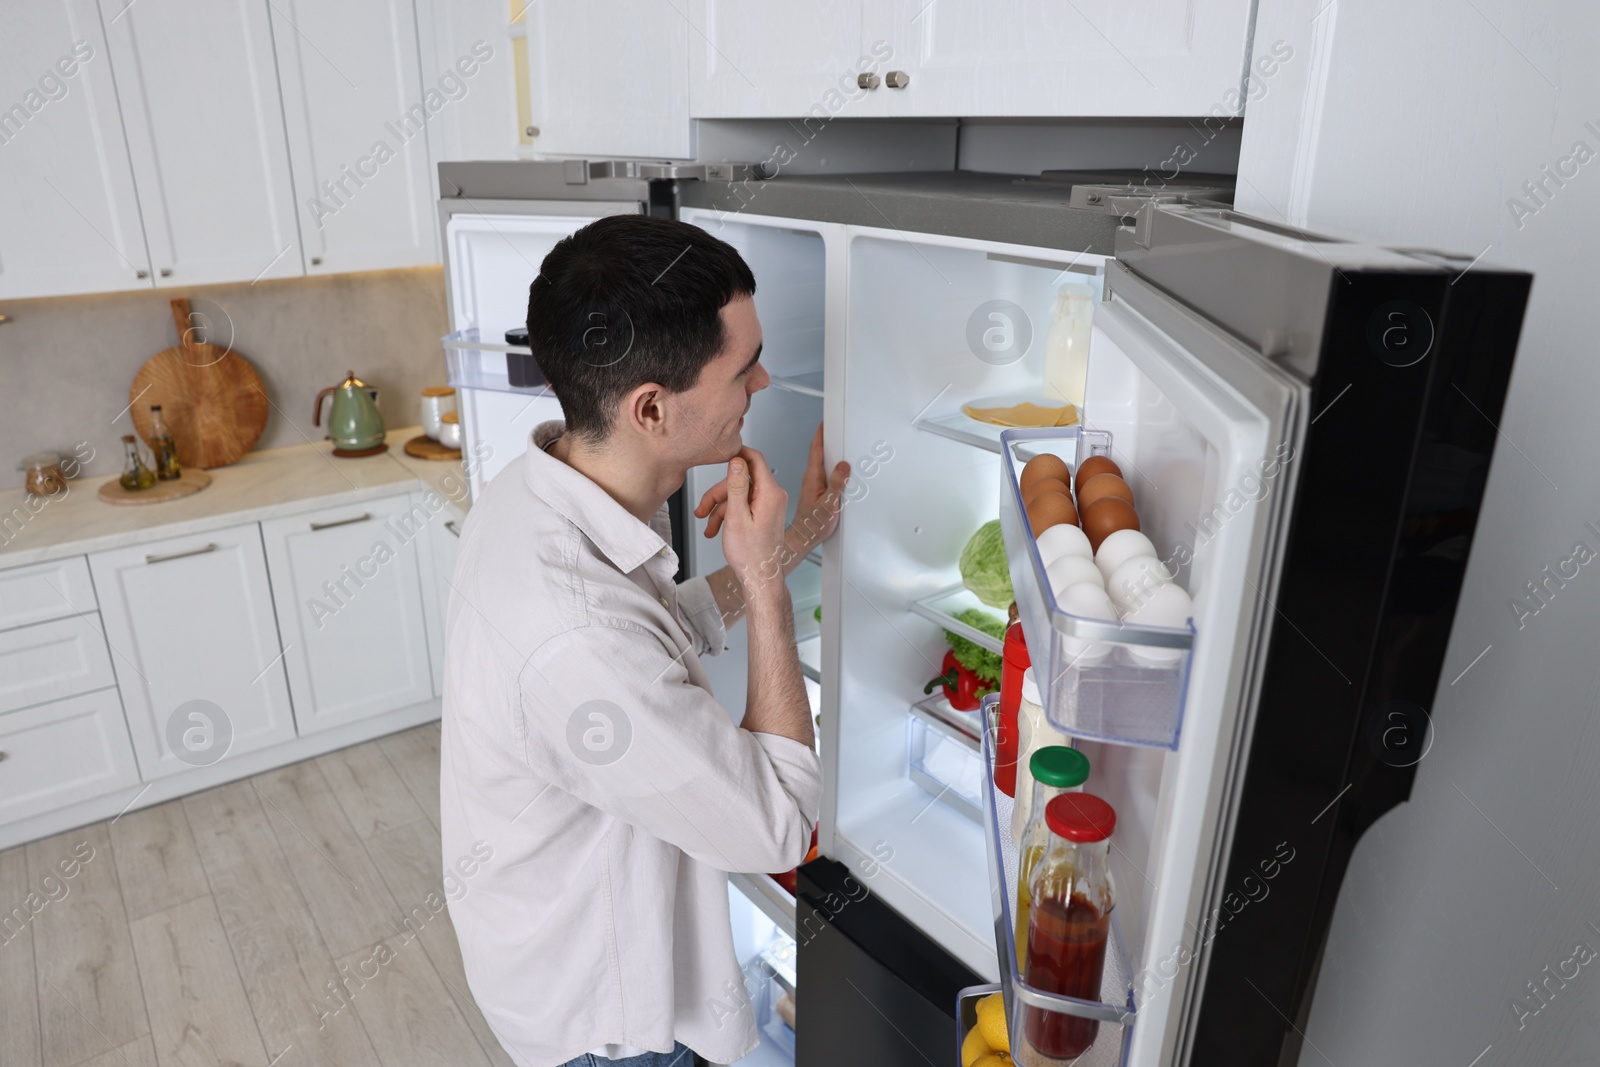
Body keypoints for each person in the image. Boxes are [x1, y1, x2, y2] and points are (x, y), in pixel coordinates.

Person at [440, 214, 849, 1067]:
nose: (764, 380)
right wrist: (769, 583)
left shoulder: (541, 488)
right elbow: (778, 821)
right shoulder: (572, 632)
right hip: (612, 1034)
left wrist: (798, 535)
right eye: (743, 369)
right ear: (652, 409)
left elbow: (657, 638)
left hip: (553, 963)